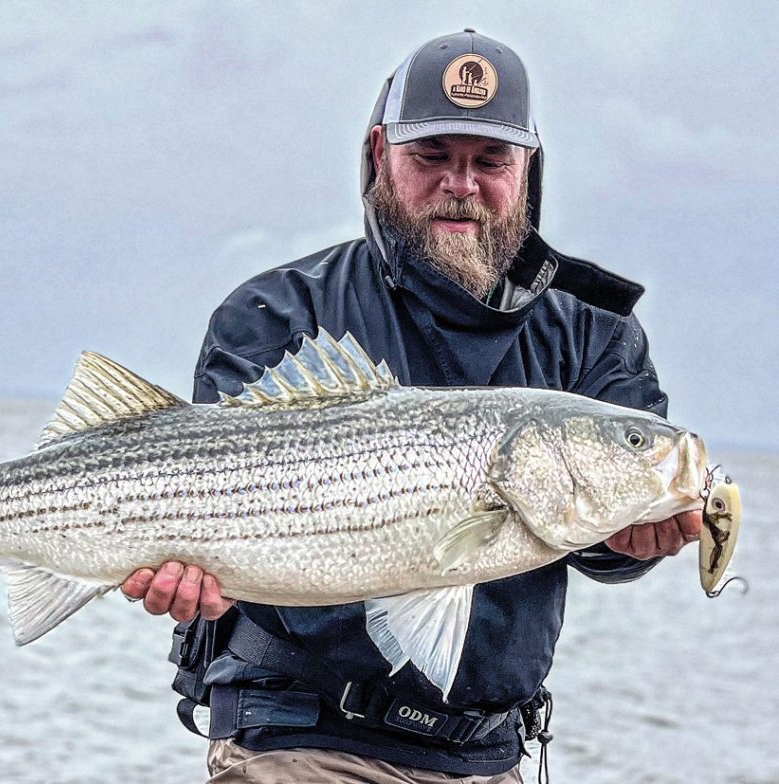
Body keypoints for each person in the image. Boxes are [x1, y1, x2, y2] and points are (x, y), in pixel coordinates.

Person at [122, 30, 702, 783]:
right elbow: (204, 503)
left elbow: (601, 541)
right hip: (300, 741)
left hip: (490, 755)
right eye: (432, 155)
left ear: (528, 168)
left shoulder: (594, 329)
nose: (461, 183)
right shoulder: (281, 311)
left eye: (490, 160)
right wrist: (187, 575)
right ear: (379, 155)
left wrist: (634, 538)